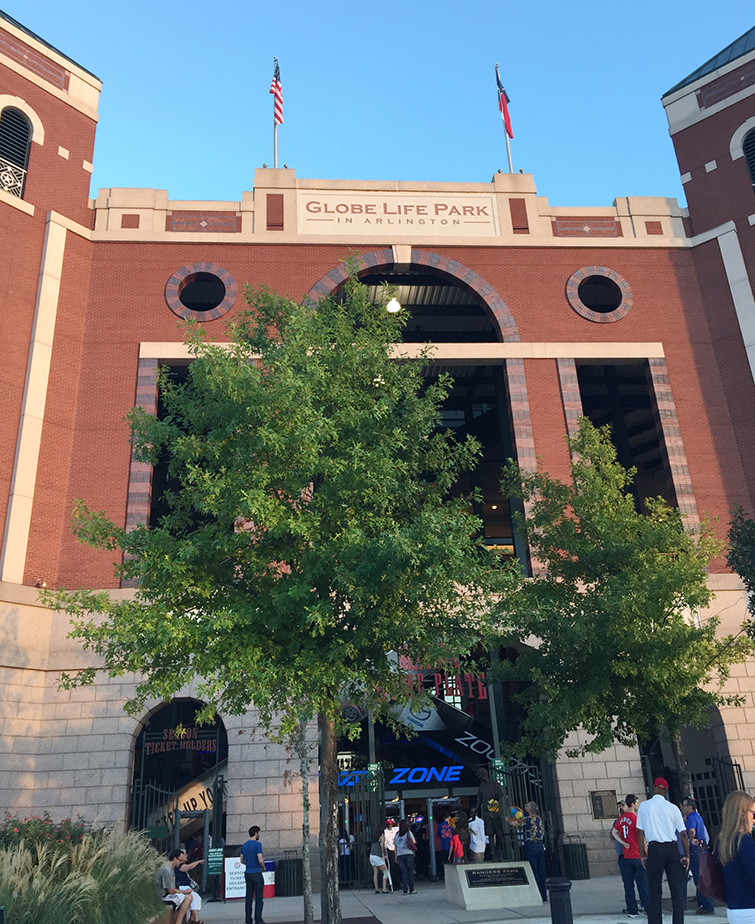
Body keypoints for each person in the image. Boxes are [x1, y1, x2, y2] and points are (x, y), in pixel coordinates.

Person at [637, 777, 690, 924]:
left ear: (654, 788)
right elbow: (683, 834)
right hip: (671, 848)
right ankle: (678, 921)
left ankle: (655, 921)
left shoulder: (644, 806)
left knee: (654, 888)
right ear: (666, 791)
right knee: (676, 889)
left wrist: (643, 855)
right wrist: (686, 855)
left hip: (654, 848)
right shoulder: (672, 808)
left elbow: (639, 832)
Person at [718, 789, 755, 924]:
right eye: (753, 813)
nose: (754, 819)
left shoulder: (722, 841)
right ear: (743, 814)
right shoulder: (743, 841)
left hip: (735, 908)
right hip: (751, 909)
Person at [613, 795, 650, 918]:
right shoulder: (635, 819)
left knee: (628, 884)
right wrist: (646, 853)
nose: (638, 804)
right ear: (633, 804)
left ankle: (632, 909)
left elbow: (614, 832)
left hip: (626, 855)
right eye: (637, 802)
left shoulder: (622, 819)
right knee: (643, 883)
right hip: (637, 854)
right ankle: (648, 908)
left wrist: (623, 843)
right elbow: (642, 837)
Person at [681, 797, 715, 915]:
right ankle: (702, 902)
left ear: (689, 807)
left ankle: (706, 904)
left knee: (698, 877)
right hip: (701, 847)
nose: (682, 808)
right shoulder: (698, 816)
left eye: (684, 805)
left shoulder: (691, 818)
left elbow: (691, 831)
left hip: (694, 849)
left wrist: (691, 839)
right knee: (701, 875)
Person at [157, 849, 193, 923]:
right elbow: (171, 890)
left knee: (189, 897)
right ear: (174, 858)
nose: (180, 863)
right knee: (187, 898)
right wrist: (184, 891)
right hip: (162, 896)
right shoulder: (166, 869)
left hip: (167, 894)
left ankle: (178, 922)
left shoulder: (171, 868)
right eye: (180, 861)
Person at [476, 768, 506, 860]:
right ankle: (493, 854)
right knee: (490, 833)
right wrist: (475, 810)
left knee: (499, 833)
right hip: (486, 812)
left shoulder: (494, 784)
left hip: (495, 811)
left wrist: (494, 800)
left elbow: (500, 794)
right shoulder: (481, 787)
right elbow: (479, 800)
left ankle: (498, 850)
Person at [240, 825, 265, 924]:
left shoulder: (244, 845)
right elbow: (260, 859)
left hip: (248, 872)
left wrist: (249, 863)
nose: (259, 835)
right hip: (256, 872)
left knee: (248, 897)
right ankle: (258, 919)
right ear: (256, 833)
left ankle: (248, 919)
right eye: (259, 833)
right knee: (259, 898)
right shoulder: (257, 845)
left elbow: (241, 860)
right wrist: (263, 867)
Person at [175, 850, 205, 924]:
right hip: (182, 887)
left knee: (197, 897)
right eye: (184, 854)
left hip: (186, 886)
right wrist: (198, 862)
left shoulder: (181, 865)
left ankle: (192, 918)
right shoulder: (178, 866)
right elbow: (189, 867)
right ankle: (195, 919)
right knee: (193, 897)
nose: (186, 856)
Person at [395, 820, 417, 894]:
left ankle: (405, 889)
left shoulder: (397, 835)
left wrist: (395, 856)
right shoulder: (408, 833)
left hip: (400, 854)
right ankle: (411, 889)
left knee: (404, 872)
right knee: (410, 871)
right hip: (408, 853)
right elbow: (414, 841)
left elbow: (395, 846)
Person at [384, 818, 401, 889]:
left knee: (398, 868)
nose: (390, 825)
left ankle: (398, 883)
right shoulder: (385, 832)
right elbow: (385, 843)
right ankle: (394, 883)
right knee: (392, 868)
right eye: (388, 824)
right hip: (390, 851)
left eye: (390, 824)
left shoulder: (395, 829)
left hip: (396, 850)